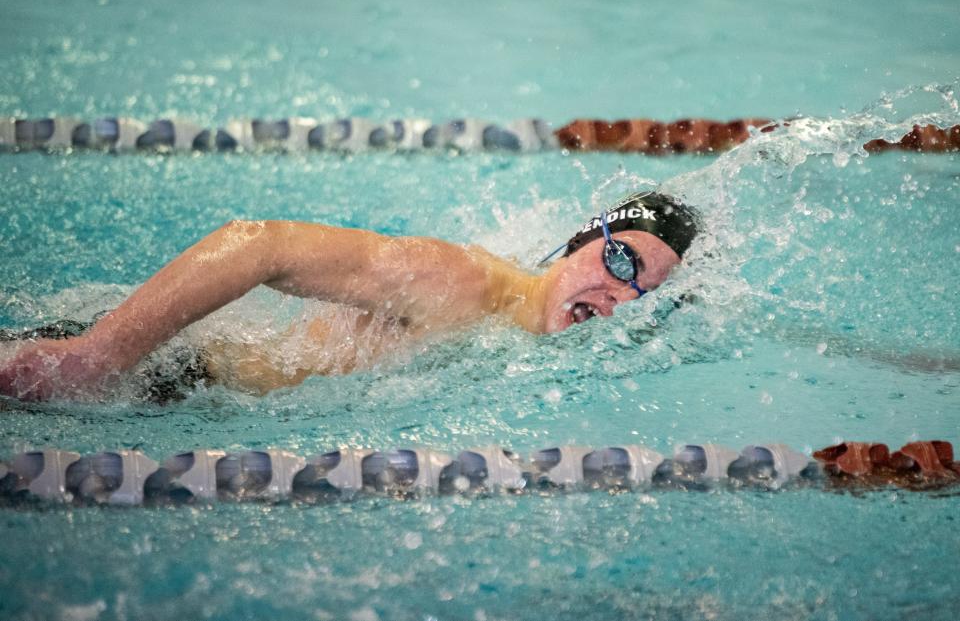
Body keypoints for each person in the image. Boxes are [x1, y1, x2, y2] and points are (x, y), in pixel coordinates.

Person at [0, 191, 698, 401]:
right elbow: (258, 242)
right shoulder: (462, 283)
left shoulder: (521, 337)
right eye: (618, 259)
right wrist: (97, 354)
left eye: (642, 292)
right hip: (163, 377)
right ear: (581, 240)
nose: (615, 294)